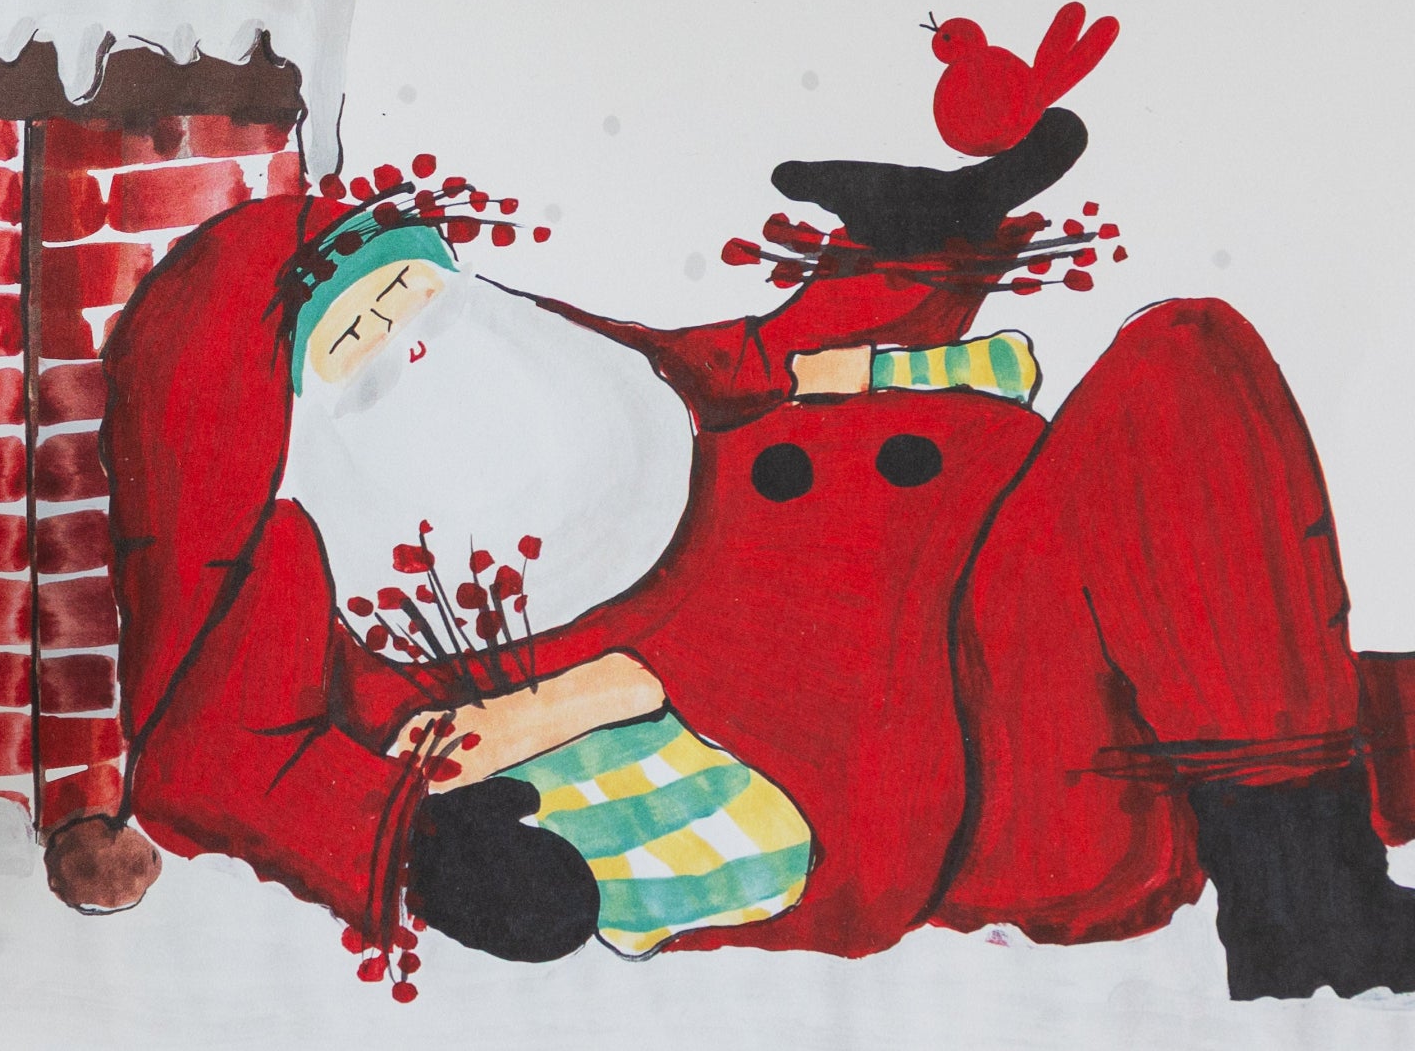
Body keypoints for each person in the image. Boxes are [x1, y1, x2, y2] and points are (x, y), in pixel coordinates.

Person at [100, 115, 1415, 1001]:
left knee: (1339, 690)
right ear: (280, 442)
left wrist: (918, 243)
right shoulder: (339, 567)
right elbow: (213, 755)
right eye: (360, 337)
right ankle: (1306, 904)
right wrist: (419, 849)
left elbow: (760, 357)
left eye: (410, 285)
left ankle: (1302, 850)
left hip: (1140, 640)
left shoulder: (603, 387)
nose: (414, 326)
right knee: (1177, 372)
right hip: (980, 748)